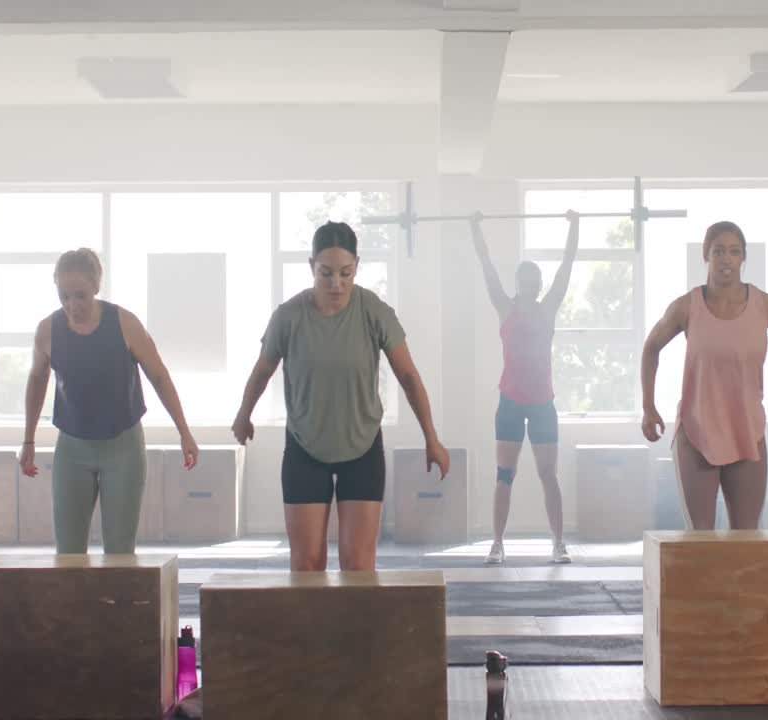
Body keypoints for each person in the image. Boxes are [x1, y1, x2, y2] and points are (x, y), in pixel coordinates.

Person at [231, 221, 450, 572]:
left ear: (357, 267)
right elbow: (262, 371)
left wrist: (432, 438)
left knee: (359, 564)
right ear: (311, 266)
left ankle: (355, 630)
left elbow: (408, 375)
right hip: (305, 448)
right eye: (326, 273)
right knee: (307, 563)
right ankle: (309, 629)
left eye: (346, 273)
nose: (337, 284)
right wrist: (244, 415)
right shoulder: (288, 317)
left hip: (362, 449)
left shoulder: (374, 312)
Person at [20, 248, 199, 554]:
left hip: (123, 446)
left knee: (119, 549)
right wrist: (28, 441)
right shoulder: (47, 330)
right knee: (68, 550)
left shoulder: (125, 324)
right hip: (73, 448)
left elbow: (159, 377)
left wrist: (184, 432)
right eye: (64, 296)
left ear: (96, 287)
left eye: (80, 295)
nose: (72, 305)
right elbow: (37, 380)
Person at [640, 221, 768, 530]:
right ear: (706, 256)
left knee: (745, 537)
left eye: (734, 251)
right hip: (697, 431)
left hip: (746, 431)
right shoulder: (686, 307)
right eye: (718, 251)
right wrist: (648, 406)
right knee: (701, 539)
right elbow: (651, 346)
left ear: (743, 258)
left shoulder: (765, 305)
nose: (726, 259)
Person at [470, 210, 579, 565]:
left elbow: (567, 265)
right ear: (518, 283)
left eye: (535, 280)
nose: (530, 285)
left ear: (539, 284)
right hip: (512, 401)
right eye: (524, 280)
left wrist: (574, 226)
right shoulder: (505, 307)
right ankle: (497, 544)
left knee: (549, 474)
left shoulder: (549, 308)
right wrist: (476, 228)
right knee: (505, 474)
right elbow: (485, 265)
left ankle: (559, 543)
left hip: (542, 402)